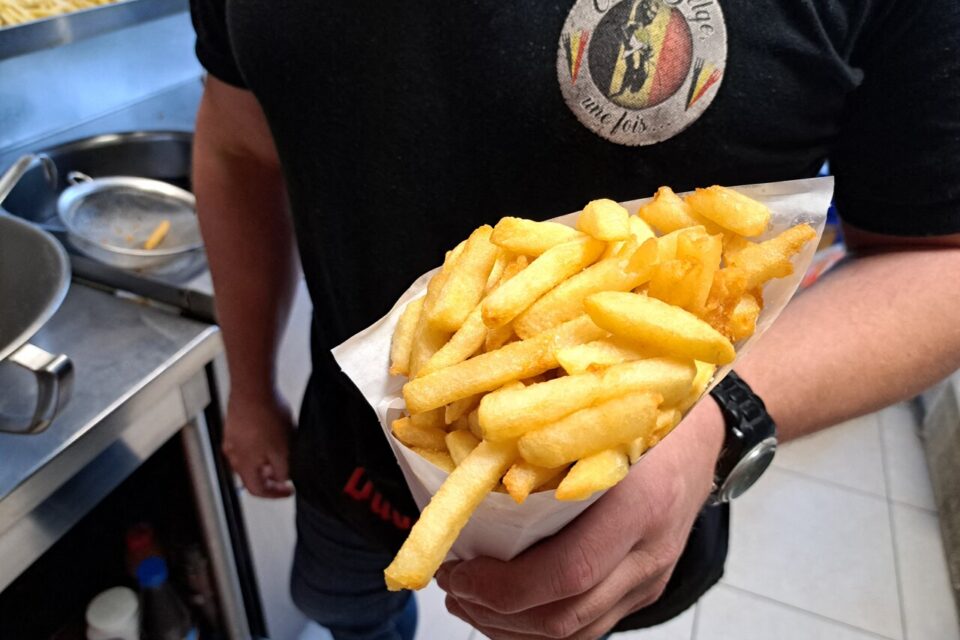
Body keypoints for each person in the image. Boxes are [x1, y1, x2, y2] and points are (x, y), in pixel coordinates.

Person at [188, 1, 960, 638]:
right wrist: (249, 390)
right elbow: (236, 144)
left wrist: (720, 419)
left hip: (617, 505)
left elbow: (936, 259)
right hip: (346, 453)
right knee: (340, 608)